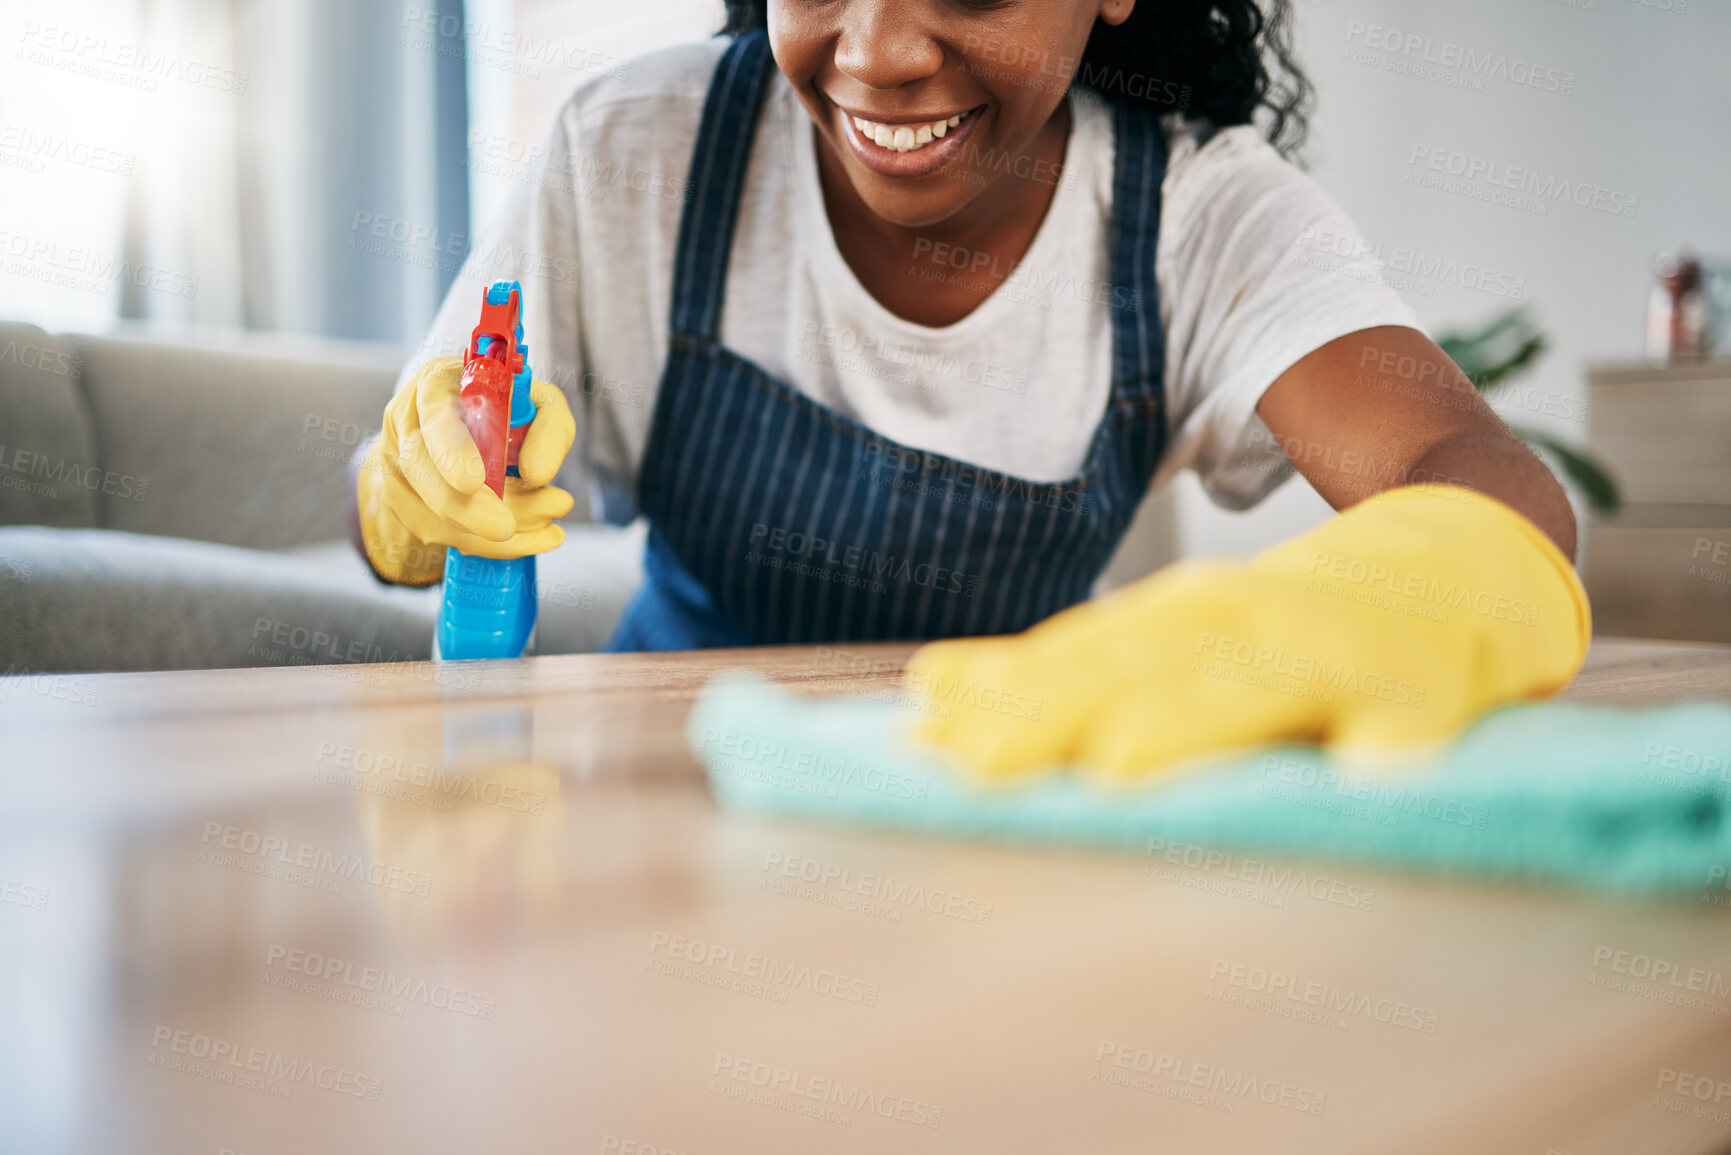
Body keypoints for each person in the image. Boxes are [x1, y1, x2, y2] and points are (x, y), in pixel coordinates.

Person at [352, 0, 1588, 778]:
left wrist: (1425, 588)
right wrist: (409, 500)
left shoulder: (1201, 217)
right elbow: (403, 491)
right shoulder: (637, 150)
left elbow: (1470, 469)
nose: (879, 50)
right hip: (668, 798)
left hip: (1001, 805)